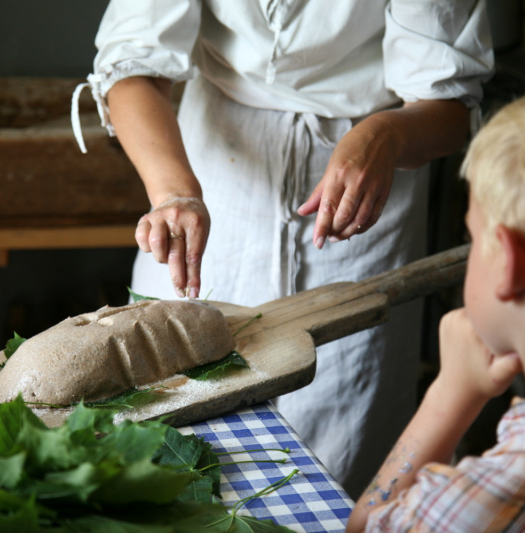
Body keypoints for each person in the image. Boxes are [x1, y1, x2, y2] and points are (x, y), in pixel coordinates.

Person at [71, 1, 494, 498]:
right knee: (171, 431)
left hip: (367, 188)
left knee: (342, 450)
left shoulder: (383, 144)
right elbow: (131, 67)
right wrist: (174, 192)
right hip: (212, 168)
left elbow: (449, 107)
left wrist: (387, 134)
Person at [347, 72, 525, 532]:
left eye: (473, 235)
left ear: (507, 263)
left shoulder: (467, 512)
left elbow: (364, 527)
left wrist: (451, 392)